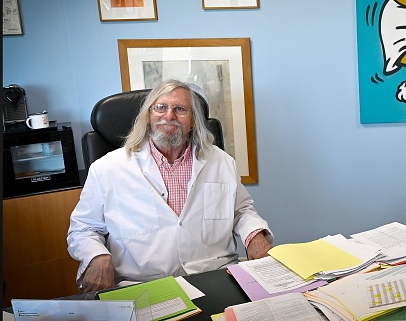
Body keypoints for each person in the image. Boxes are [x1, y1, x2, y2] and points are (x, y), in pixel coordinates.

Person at [67, 79, 273, 293]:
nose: (169, 116)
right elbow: (84, 229)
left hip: (215, 278)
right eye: (160, 107)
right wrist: (98, 256)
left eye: (180, 109)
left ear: (193, 120)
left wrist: (254, 236)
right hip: (143, 286)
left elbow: (241, 211)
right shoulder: (107, 168)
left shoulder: (221, 161)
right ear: (148, 115)